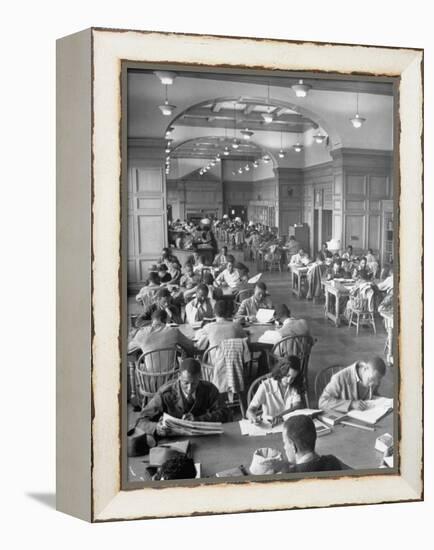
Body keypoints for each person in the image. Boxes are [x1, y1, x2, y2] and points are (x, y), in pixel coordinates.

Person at [136, 358, 230, 436]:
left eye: (194, 384)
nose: (189, 389)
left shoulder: (209, 389)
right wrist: (156, 427)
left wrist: (198, 420)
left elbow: (225, 413)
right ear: (179, 376)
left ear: (200, 377)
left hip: (202, 437)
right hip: (173, 439)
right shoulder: (165, 393)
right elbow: (140, 421)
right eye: (186, 383)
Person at [246, 355, 306, 426]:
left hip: (289, 425)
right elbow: (250, 410)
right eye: (287, 376)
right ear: (281, 371)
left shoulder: (294, 386)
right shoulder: (266, 386)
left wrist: (280, 416)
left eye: (293, 378)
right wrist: (253, 417)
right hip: (269, 425)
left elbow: (296, 407)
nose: (289, 380)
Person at [282, 415, 350, 472]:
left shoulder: (290, 476)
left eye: (285, 443)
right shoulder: (332, 461)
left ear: (294, 447)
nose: (284, 447)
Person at [318, 356, 387, 412]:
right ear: (365, 368)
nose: (372, 384)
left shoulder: (374, 377)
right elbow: (322, 402)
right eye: (370, 380)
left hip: (365, 417)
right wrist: (351, 404)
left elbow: (373, 395)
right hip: (344, 421)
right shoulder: (339, 378)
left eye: (376, 382)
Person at [128, 309, 195, 357]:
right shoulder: (174, 331)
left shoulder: (141, 333)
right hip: (172, 372)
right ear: (163, 320)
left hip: (149, 373)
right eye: (168, 321)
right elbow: (190, 346)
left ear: (153, 320)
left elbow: (127, 350)